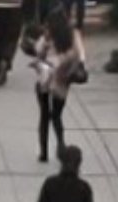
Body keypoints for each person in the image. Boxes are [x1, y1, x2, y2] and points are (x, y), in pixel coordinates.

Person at [25, 9, 84, 163]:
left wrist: (44, 41)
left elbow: (37, 51)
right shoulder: (71, 36)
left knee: (44, 115)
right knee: (57, 115)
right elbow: (78, 55)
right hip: (61, 80)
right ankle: (60, 144)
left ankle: (43, 151)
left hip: (44, 79)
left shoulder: (47, 37)